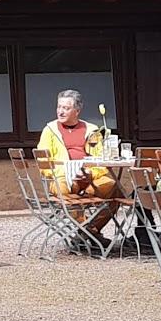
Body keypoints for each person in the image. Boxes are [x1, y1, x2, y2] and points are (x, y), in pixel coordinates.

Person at [36, 88, 118, 246]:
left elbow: (101, 160)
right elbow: (43, 162)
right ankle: (89, 234)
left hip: (88, 177)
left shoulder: (92, 130)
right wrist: (67, 172)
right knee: (64, 188)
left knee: (113, 187)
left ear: (77, 111)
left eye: (66, 108)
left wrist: (90, 174)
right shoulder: (49, 130)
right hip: (62, 177)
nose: (60, 111)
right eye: (59, 107)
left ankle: (87, 233)